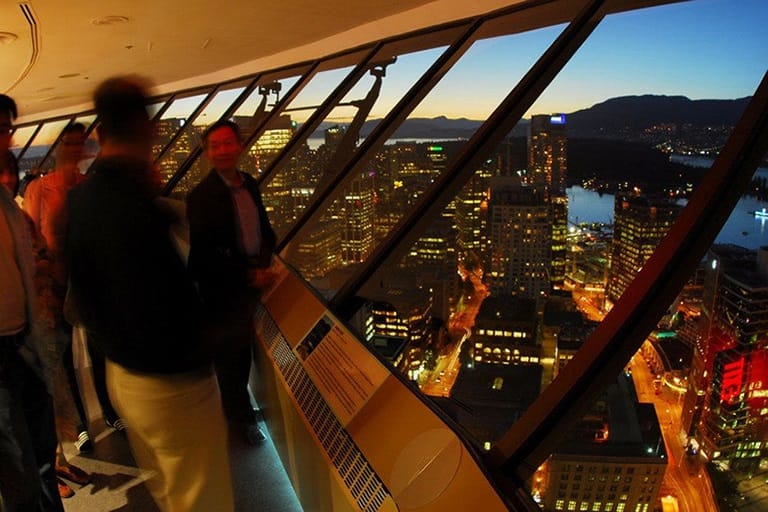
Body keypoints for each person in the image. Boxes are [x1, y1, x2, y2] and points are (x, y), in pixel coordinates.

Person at [64, 77, 234, 512]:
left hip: (124, 378)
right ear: (146, 125)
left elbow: (83, 297)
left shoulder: (80, 202)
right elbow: (160, 300)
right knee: (203, 499)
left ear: (101, 131)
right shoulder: (133, 206)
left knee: (176, 495)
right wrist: (214, 335)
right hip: (173, 384)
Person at [187, 119, 276, 446]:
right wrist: (248, 275)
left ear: (240, 146)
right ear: (207, 153)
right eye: (215, 146)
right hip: (223, 289)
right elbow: (206, 256)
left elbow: (264, 229)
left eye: (228, 143)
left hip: (252, 276)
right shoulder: (201, 197)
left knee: (241, 353)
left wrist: (263, 263)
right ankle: (240, 420)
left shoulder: (249, 184)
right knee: (232, 359)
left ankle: (240, 412)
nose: (223, 151)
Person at [23, 123, 94, 498]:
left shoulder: (83, 186)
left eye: (80, 142)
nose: (75, 148)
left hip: (78, 287)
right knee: (56, 370)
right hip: (50, 293)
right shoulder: (40, 189)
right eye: (69, 142)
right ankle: (59, 455)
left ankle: (64, 454)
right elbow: (33, 241)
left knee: (73, 364)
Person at [0, 93, 64, 511]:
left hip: (23, 340)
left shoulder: (6, 203)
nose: (5, 140)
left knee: (39, 452)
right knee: (17, 465)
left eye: (6, 130)